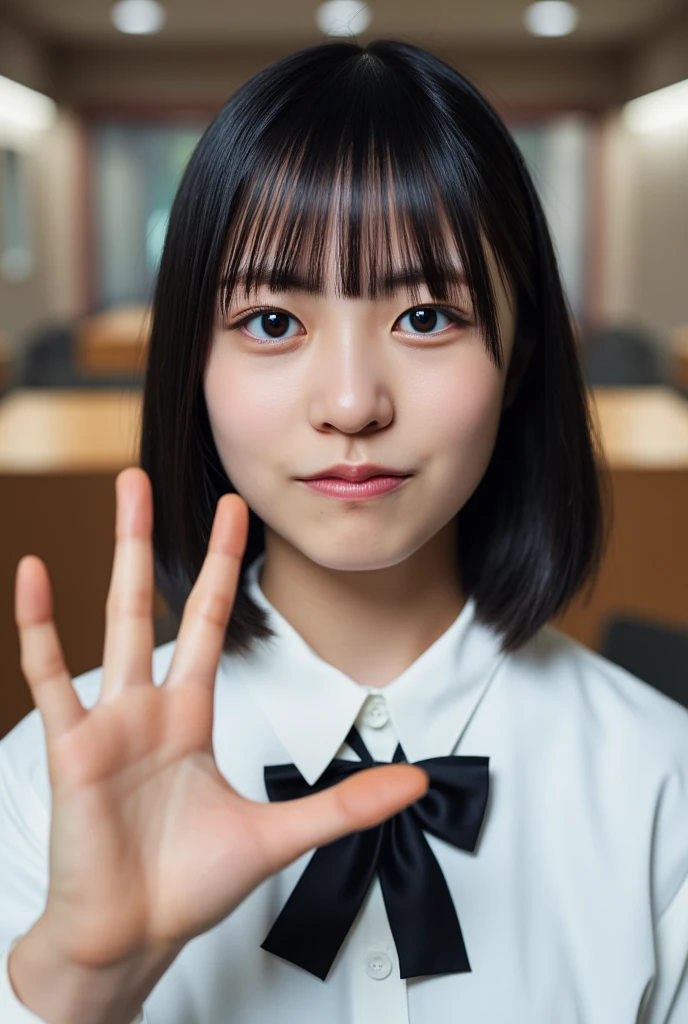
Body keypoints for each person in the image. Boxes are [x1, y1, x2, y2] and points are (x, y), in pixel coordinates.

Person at [1, 36, 687, 1024]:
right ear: (192, 364)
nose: (354, 403)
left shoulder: (660, 789)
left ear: (521, 348)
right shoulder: (43, 788)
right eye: (273, 321)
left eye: (426, 315)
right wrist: (74, 986)